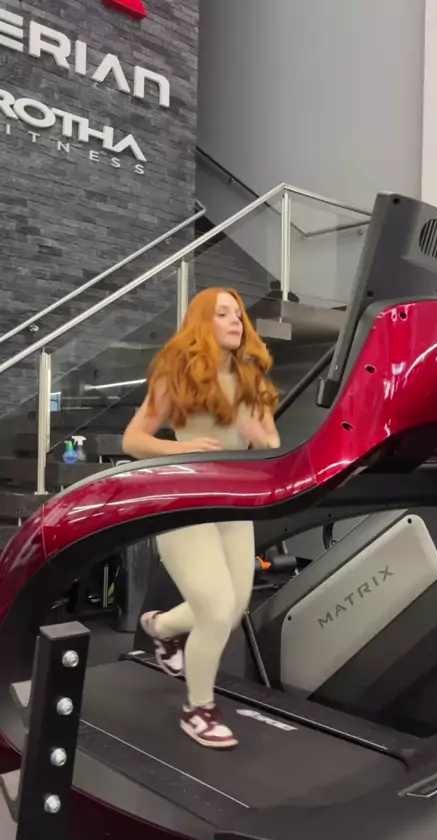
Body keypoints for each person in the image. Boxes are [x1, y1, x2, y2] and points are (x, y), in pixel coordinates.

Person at [122, 288, 279, 749]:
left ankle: (161, 628)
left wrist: (258, 434)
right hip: (186, 499)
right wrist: (184, 447)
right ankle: (199, 709)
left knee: (232, 608)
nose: (235, 321)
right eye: (223, 313)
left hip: (233, 503)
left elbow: (272, 443)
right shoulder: (178, 374)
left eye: (238, 314)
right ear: (202, 324)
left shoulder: (251, 379)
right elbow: (134, 440)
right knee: (213, 608)